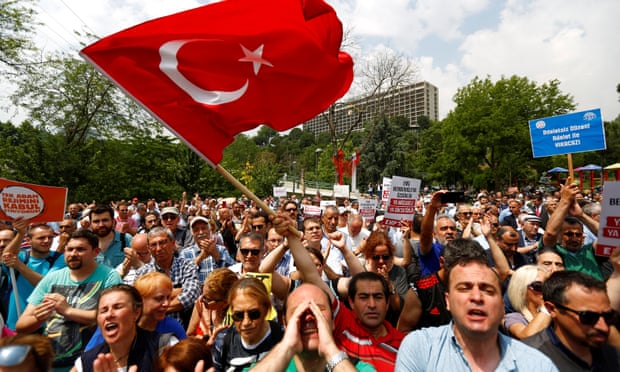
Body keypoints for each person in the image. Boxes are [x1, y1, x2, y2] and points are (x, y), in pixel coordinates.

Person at [395, 251, 558, 371]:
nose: (476, 297)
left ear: (502, 305)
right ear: (448, 301)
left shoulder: (537, 365)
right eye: (464, 288)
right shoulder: (420, 347)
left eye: (487, 290)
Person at [15, 229, 122, 370]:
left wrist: (67, 310)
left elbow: (112, 318)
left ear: (96, 252)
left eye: (80, 249)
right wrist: (39, 317)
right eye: (70, 249)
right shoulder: (52, 278)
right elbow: (21, 325)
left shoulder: (109, 276)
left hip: (90, 362)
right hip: (53, 362)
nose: (73, 254)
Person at [250, 283, 375, 372]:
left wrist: (330, 351)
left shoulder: (360, 369)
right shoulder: (263, 366)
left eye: (318, 309)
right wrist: (286, 347)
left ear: (333, 321)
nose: (309, 317)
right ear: (285, 323)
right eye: (298, 311)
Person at [523, 270, 620, 371]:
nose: (603, 327)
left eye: (608, 316)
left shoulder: (613, 357)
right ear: (552, 309)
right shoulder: (527, 360)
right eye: (588, 317)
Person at [73, 284, 177, 372]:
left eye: (118, 307)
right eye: (103, 310)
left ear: (136, 313)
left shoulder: (165, 347)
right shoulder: (85, 362)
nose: (109, 314)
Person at [85, 272, 186, 351]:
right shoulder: (115, 326)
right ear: (141, 300)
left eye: (168, 298)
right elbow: (86, 360)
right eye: (159, 299)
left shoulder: (173, 327)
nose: (166, 304)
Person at [1, 220, 65, 331]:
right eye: (41, 238)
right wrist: (20, 233)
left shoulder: (60, 259)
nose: (47, 241)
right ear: (29, 241)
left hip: (47, 326)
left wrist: (20, 266)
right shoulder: (22, 257)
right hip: (16, 323)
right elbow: (6, 256)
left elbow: (47, 286)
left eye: (50, 237)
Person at [131, 227, 201, 327]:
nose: (159, 248)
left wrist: (151, 306)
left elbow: (190, 296)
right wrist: (176, 292)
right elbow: (137, 303)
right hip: (152, 331)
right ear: (149, 249)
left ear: (173, 243)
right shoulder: (143, 272)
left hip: (184, 329)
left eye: (162, 242)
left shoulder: (187, 266)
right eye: (153, 245)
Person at [211, 277, 284, 372]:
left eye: (254, 314)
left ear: (266, 310)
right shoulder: (222, 341)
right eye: (238, 315)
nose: (246, 322)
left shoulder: (284, 338)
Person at [541, 176, 604, 280]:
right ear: (560, 236)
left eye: (578, 234)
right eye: (569, 234)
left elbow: (609, 236)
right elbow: (550, 234)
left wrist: (581, 215)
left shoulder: (590, 251)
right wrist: (564, 201)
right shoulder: (554, 252)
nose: (574, 238)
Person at [186, 268, 239, 345]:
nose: (201, 299)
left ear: (225, 302)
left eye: (207, 299)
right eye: (202, 292)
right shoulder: (201, 304)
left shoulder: (238, 315)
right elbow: (189, 336)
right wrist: (201, 342)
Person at [181, 216, 235, 284]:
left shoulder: (221, 249)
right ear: (193, 234)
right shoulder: (185, 253)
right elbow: (182, 275)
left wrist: (217, 256)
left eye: (204, 228)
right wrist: (201, 257)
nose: (201, 232)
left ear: (210, 231)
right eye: (196, 230)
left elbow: (233, 270)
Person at [503, 265, 552, 339]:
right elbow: (527, 336)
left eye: (548, 285)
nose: (545, 290)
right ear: (522, 291)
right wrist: (546, 309)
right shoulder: (513, 318)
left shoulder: (556, 313)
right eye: (538, 286)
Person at [419, 191, 457, 276]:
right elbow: (425, 235)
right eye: (444, 228)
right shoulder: (430, 249)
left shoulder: (462, 250)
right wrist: (432, 208)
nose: (449, 232)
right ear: (434, 234)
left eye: (452, 228)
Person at [89, 204, 133, 269]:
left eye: (105, 220)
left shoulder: (126, 240)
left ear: (113, 222)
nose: (101, 225)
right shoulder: (86, 243)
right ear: (90, 224)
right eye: (96, 221)